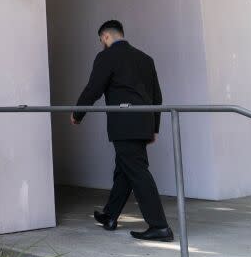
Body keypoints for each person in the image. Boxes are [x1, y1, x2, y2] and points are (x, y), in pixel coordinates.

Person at [70, 20, 174, 242]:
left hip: (124, 124)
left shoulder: (107, 57)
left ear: (106, 37)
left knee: (136, 171)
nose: (102, 44)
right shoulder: (145, 59)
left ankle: (160, 226)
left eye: (101, 40)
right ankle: (110, 215)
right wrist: (154, 126)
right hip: (143, 122)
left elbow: (94, 88)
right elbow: (157, 97)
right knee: (125, 170)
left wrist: (77, 113)